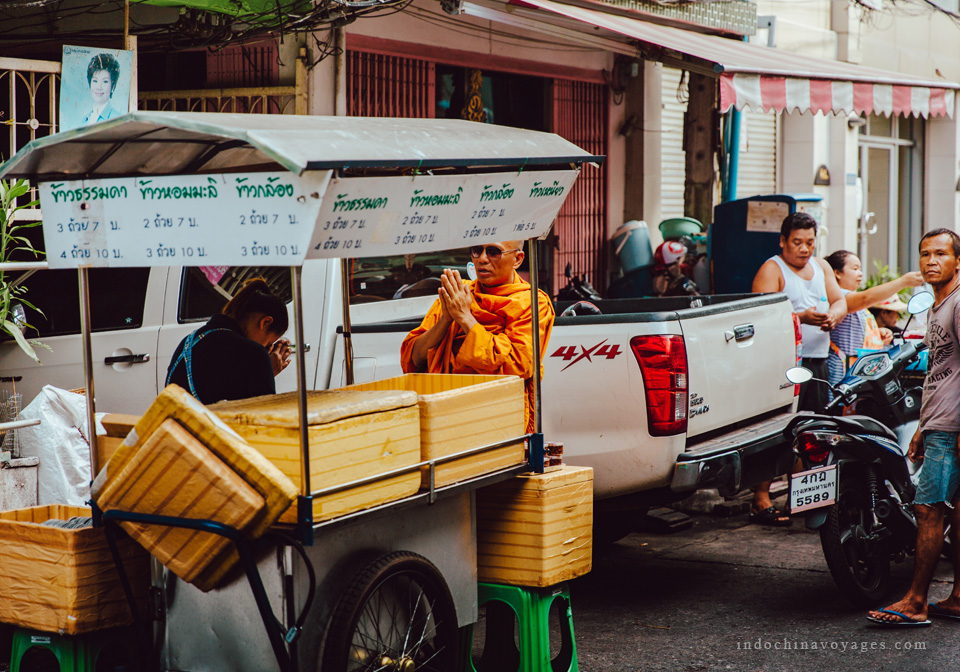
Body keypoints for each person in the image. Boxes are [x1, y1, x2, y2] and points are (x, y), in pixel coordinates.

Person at [867, 229, 960, 627]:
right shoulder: (937, 305)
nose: (931, 261)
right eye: (925, 254)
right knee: (956, 512)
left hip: (952, 426)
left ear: (958, 261)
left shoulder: (958, 304)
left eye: (941, 253)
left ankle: (916, 601)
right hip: (939, 422)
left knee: (928, 509)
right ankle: (958, 597)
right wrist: (922, 426)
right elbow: (940, 373)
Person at [749, 212, 847, 526]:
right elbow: (760, 318)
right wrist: (800, 318)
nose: (804, 249)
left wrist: (834, 314)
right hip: (783, 365)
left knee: (811, 432)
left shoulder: (821, 267)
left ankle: (803, 498)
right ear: (783, 241)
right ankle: (761, 498)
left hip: (816, 362)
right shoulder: (772, 270)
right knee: (779, 431)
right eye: (797, 242)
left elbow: (840, 300)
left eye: (809, 242)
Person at [400, 241, 554, 433]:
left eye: (493, 252)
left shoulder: (532, 303)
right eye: (477, 250)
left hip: (497, 419)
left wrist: (465, 318)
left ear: (517, 259)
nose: (482, 259)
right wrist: (446, 320)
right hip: (444, 412)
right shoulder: (459, 294)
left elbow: (515, 366)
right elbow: (413, 359)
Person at [166, 278, 291, 405]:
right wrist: (266, 371)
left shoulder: (188, 342)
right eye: (268, 343)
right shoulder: (254, 353)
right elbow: (263, 411)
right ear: (265, 322)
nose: (267, 348)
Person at [824, 250, 924, 386]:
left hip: (855, 370)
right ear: (837, 273)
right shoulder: (838, 297)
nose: (860, 273)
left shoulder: (853, 298)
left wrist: (878, 333)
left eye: (860, 269)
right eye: (855, 269)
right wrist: (902, 282)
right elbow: (866, 298)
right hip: (841, 370)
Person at [83, 53, 122, 125]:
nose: (99, 87)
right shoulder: (84, 120)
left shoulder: (118, 120)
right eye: (95, 81)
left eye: (105, 81)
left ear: (113, 87)